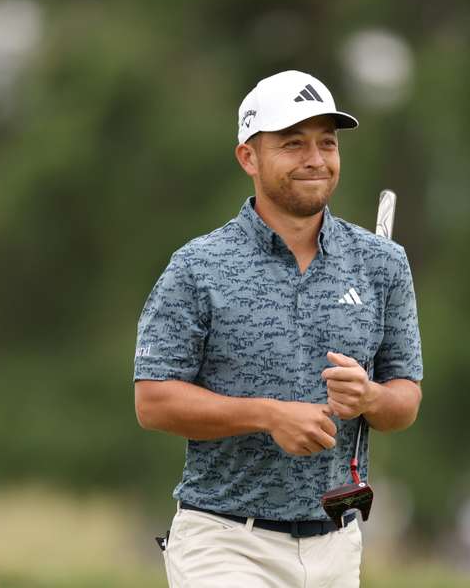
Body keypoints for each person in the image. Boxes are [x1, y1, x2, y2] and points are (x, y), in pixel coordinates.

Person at [133, 69, 423, 588]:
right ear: (249, 156)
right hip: (224, 541)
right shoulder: (199, 266)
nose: (315, 159)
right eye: (293, 144)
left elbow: (405, 400)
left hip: (336, 542)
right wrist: (269, 415)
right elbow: (153, 401)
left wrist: (369, 398)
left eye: (326, 143)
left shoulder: (382, 264)